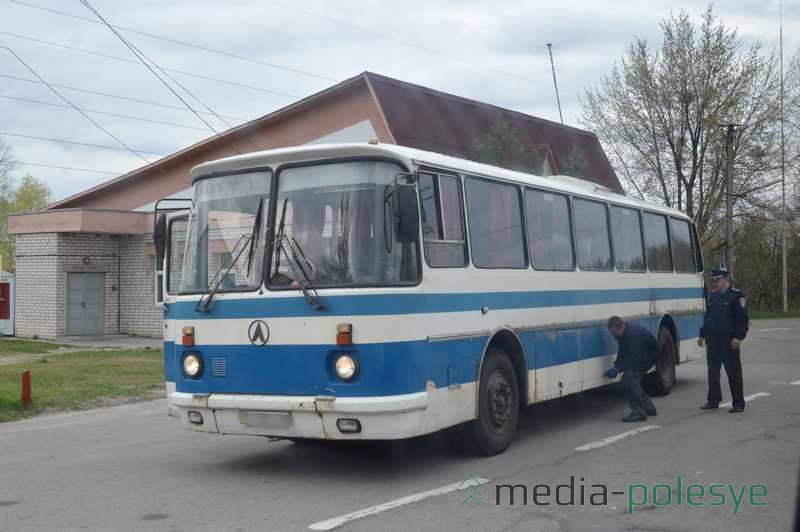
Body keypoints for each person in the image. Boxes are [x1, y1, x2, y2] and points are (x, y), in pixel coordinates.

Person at [698, 268, 749, 413]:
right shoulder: (713, 297)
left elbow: (742, 319)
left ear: (725, 280)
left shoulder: (736, 296)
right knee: (713, 372)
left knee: (733, 373)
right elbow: (708, 318)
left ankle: (738, 403)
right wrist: (702, 335)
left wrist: (738, 337)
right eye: (713, 280)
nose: (714, 283)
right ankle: (713, 400)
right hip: (713, 341)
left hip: (729, 341)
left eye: (716, 280)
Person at [605, 316, 659, 422]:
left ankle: (639, 413)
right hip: (642, 356)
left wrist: (618, 369)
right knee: (632, 379)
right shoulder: (623, 334)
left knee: (629, 378)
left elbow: (633, 359)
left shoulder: (633, 335)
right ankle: (648, 407)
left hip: (649, 357)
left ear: (621, 327)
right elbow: (622, 353)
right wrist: (616, 366)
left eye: (614, 333)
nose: (614, 336)